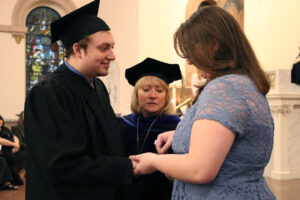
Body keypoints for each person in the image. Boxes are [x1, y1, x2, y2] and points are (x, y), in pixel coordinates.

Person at [130, 5, 276, 200]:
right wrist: (183, 133)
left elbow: (200, 170)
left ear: (213, 45)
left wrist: (154, 161)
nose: (189, 62)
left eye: (191, 51)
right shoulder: (246, 82)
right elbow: (230, 136)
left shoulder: (223, 88)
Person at [24, 1, 133, 200]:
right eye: (104, 48)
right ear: (77, 49)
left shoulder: (97, 87)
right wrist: (127, 167)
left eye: (112, 47)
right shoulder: (48, 93)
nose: (113, 55)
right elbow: (61, 167)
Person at [120, 57, 182, 200]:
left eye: (159, 90)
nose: (152, 95)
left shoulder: (177, 129)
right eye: (146, 89)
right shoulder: (123, 125)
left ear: (166, 96)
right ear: (136, 94)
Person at [0, 114, 25, 186]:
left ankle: (20, 175)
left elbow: (14, 136)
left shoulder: (5, 129)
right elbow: (1, 141)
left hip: (13, 148)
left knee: (25, 154)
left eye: (1, 122)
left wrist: (17, 144)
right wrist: (13, 144)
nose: (0, 123)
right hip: (4, 150)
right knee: (10, 158)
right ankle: (16, 178)